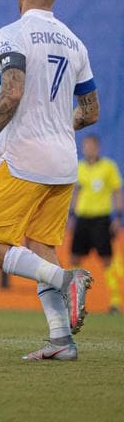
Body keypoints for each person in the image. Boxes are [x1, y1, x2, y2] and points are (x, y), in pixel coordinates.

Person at [0, 0, 100, 361]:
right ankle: (61, 340)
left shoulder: (13, 34)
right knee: (41, 245)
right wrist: (59, 127)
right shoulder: (75, 43)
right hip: (64, 163)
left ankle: (67, 279)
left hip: (24, 158)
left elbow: (12, 92)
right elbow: (90, 111)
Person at [70, 134, 122, 314]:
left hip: (101, 220)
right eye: (85, 146)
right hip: (82, 219)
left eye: (91, 146)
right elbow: (75, 193)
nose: (88, 149)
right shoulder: (80, 167)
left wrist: (118, 217)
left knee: (107, 259)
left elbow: (117, 191)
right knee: (75, 258)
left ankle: (115, 302)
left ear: (97, 147)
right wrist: (71, 215)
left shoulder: (108, 167)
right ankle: (75, 300)